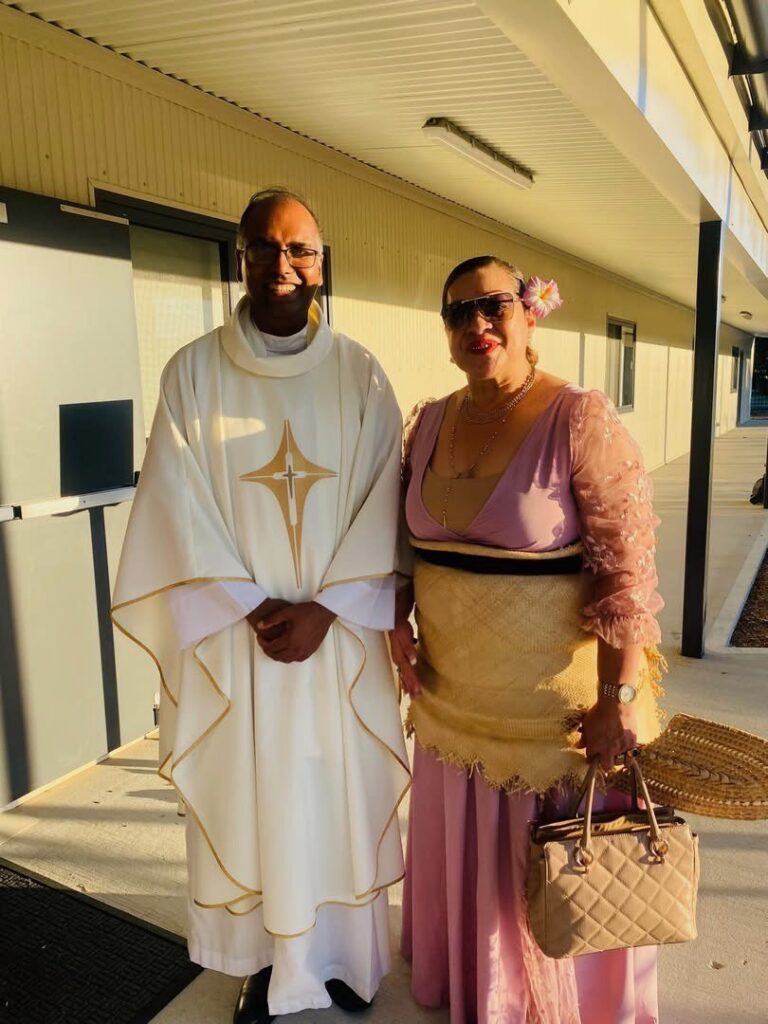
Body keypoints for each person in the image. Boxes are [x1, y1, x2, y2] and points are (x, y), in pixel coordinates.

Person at [112, 189, 410, 1024]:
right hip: (238, 643)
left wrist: (327, 608)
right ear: (238, 257)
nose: (282, 265)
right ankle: (263, 969)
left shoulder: (359, 373)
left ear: (322, 262)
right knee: (256, 799)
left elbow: (387, 494)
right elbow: (175, 504)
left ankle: (346, 962)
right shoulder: (193, 372)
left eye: (300, 249)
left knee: (333, 795)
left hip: (337, 643)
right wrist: (247, 605)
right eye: (263, 247)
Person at [389, 255, 665, 1024]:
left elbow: (627, 576)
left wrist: (619, 697)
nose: (476, 325)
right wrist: (396, 617)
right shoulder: (431, 421)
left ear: (529, 312)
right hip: (454, 713)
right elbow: (405, 545)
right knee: (481, 892)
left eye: (492, 305)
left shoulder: (579, 419)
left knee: (553, 893)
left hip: (556, 724)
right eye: (456, 313)